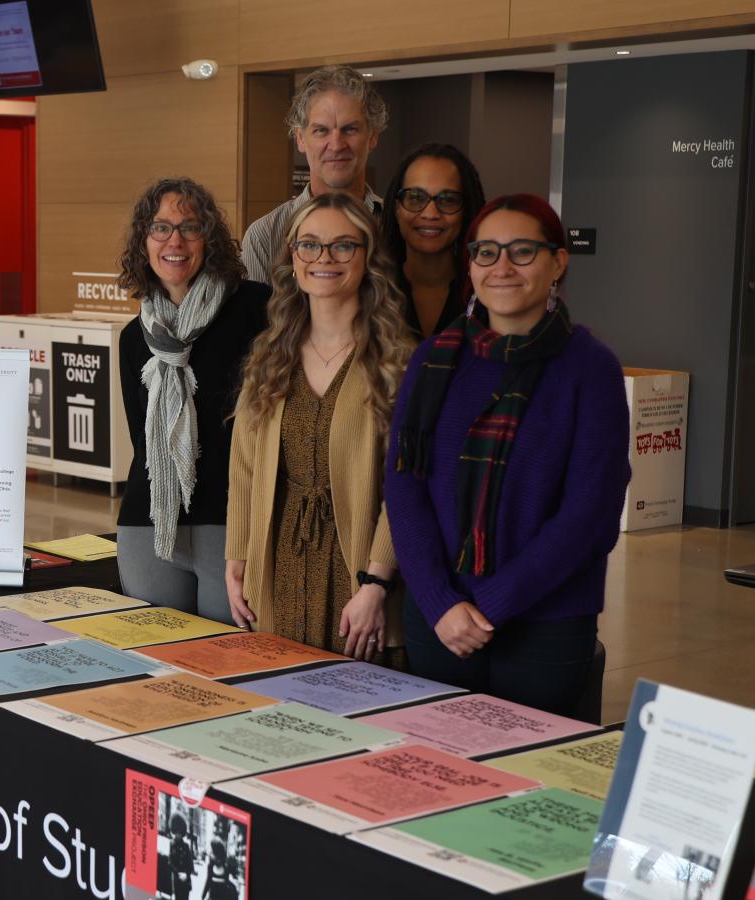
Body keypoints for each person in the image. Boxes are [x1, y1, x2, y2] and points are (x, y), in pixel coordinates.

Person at [384, 193, 629, 718]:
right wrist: (439, 600)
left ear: (557, 262)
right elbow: (404, 487)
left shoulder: (591, 369)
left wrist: (491, 606)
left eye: (522, 251)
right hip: (438, 620)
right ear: (469, 264)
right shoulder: (434, 360)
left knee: (535, 779)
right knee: (435, 775)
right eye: (487, 252)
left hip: (545, 624)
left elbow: (591, 513)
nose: (502, 267)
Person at [226, 192, 414, 659]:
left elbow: (407, 483)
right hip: (281, 561)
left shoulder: (397, 362)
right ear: (292, 257)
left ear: (367, 257)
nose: (324, 258)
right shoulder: (270, 356)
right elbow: (245, 466)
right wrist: (238, 557)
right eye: (309, 244)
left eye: (343, 246)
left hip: (359, 572)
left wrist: (376, 583)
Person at [116, 177, 269, 621]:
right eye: (160, 228)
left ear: (210, 239)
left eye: (190, 227)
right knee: (155, 670)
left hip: (230, 528)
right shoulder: (133, 338)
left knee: (229, 667)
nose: (175, 241)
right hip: (151, 526)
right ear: (144, 242)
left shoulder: (254, 310)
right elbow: (141, 445)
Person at [242, 65, 389, 284]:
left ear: (372, 137)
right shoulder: (265, 236)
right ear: (300, 138)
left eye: (350, 129)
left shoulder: (396, 225)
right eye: (321, 130)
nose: (337, 145)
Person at [380, 143, 487, 339]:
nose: (430, 214)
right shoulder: (373, 287)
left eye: (447, 200)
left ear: (466, 210)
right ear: (397, 208)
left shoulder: (487, 291)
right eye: (415, 198)